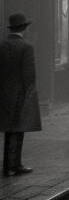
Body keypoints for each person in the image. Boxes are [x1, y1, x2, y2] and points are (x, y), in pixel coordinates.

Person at [0, 13, 41, 176]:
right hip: (21, 94)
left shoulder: (2, 45)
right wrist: (29, 94)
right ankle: (14, 166)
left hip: (4, 94)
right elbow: (29, 75)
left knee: (8, 129)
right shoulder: (26, 46)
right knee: (18, 128)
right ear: (24, 28)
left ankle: (8, 165)